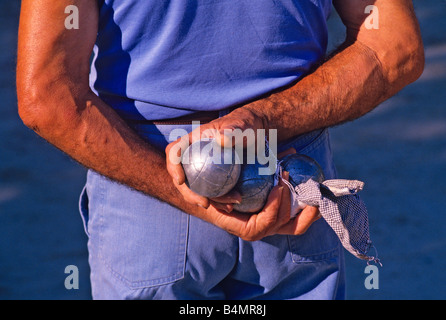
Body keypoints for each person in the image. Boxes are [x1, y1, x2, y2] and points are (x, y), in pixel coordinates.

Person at [16, 0, 424, 300]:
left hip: (148, 198)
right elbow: (393, 48)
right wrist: (261, 119)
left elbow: (48, 96)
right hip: (290, 185)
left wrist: (181, 191)